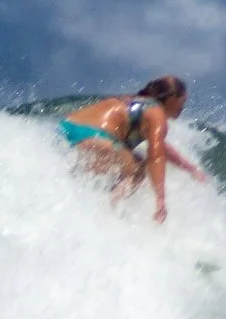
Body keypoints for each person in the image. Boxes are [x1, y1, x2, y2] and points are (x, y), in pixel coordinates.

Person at [62, 75, 206, 222]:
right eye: (183, 100)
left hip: (65, 132)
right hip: (95, 138)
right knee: (138, 168)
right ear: (172, 98)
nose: (183, 106)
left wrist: (190, 168)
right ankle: (106, 215)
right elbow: (156, 155)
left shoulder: (133, 102)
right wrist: (160, 199)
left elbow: (161, 147)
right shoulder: (157, 113)